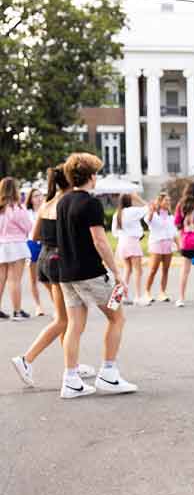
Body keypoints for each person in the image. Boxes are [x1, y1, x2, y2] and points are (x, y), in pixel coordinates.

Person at [56, 152, 137, 399]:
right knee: (117, 318)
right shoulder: (90, 203)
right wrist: (117, 272)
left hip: (66, 274)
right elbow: (100, 241)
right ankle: (108, 373)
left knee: (75, 325)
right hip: (90, 273)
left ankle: (70, 380)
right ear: (92, 176)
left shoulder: (63, 202)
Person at [11, 165, 96, 387]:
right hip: (61, 262)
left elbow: (35, 234)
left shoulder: (48, 203)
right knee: (64, 319)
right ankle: (26, 359)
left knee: (64, 317)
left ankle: (73, 365)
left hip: (45, 261)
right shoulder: (68, 203)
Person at [0, 177, 33, 321]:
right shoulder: (18, 208)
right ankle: (17, 311)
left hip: (1, 245)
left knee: (1, 279)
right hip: (16, 245)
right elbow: (28, 227)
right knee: (15, 280)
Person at [111, 192, 148, 305]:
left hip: (122, 242)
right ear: (130, 201)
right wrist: (139, 198)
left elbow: (114, 233)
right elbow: (148, 208)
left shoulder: (117, 214)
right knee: (138, 270)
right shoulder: (132, 211)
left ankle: (120, 297)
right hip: (132, 242)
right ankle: (138, 296)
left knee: (127, 270)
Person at [144, 193, 178, 302]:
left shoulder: (171, 217)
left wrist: (179, 244)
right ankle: (147, 292)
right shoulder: (154, 215)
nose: (168, 202)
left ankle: (162, 293)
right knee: (153, 269)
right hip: (156, 244)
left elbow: (174, 232)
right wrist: (151, 211)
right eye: (166, 200)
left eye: (169, 200)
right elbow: (147, 221)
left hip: (168, 245)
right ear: (160, 202)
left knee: (165, 270)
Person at [25, 187, 46, 316]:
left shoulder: (46, 210)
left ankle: (58, 305)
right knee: (33, 279)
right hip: (31, 245)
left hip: (46, 245)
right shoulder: (26, 212)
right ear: (30, 199)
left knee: (47, 278)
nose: (39, 198)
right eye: (35, 196)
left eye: (40, 195)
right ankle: (38, 306)